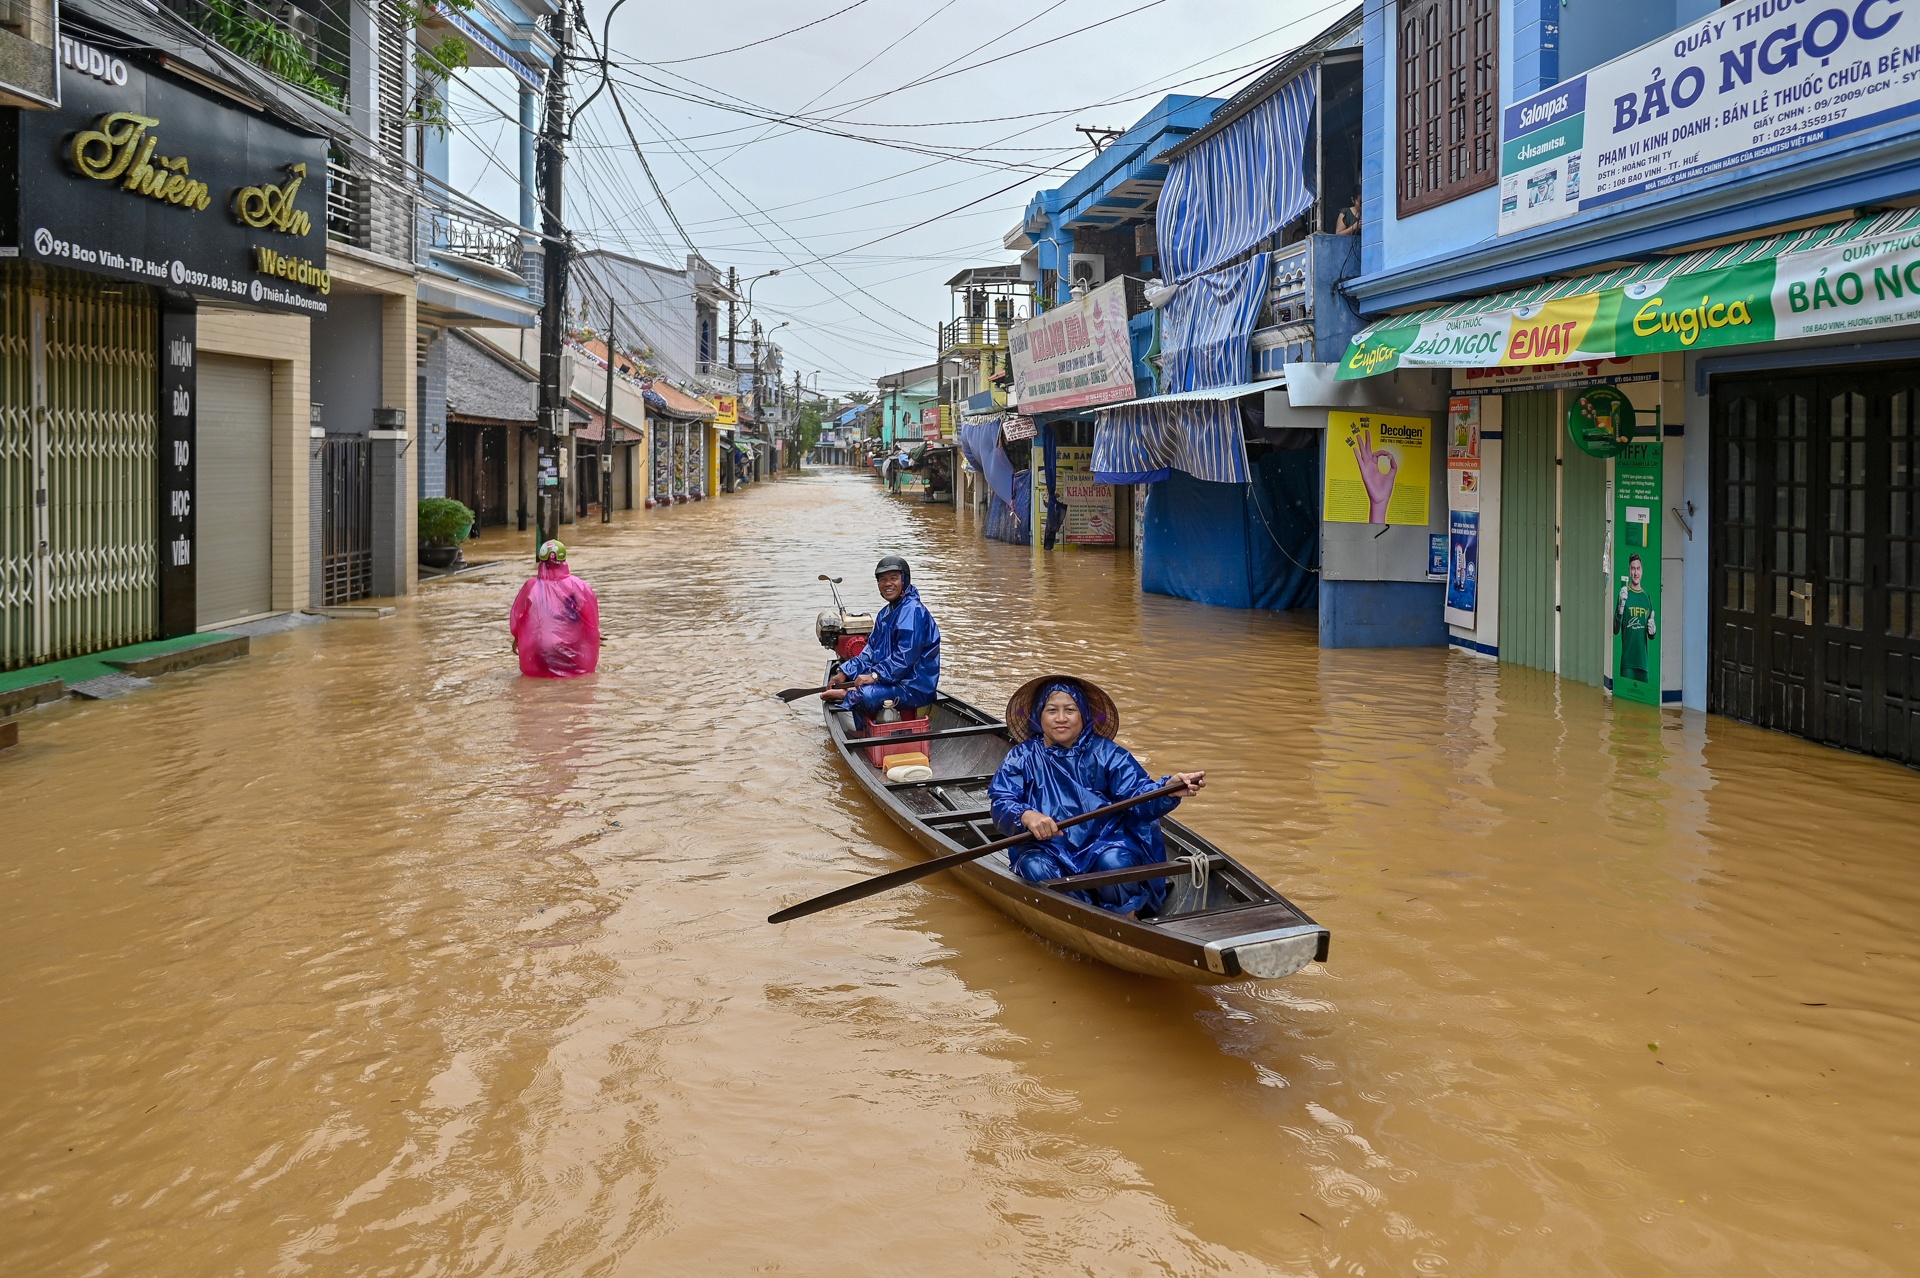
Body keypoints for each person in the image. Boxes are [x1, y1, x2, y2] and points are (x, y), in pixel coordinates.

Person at [988, 676, 1204, 918]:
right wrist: (1027, 815)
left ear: (1083, 715)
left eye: (1070, 710)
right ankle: (1076, 917)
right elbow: (1002, 802)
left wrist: (1167, 790)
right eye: (1052, 711)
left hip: (1106, 843)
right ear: (1039, 715)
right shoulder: (1022, 757)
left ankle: (1126, 918)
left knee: (1114, 863)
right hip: (1048, 848)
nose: (1061, 718)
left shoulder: (1109, 754)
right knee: (1034, 867)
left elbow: (1140, 797)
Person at [824, 555, 940, 718]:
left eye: (894, 578)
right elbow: (869, 651)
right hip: (893, 679)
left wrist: (874, 676)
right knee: (861, 678)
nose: (888, 584)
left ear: (904, 580)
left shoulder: (913, 611)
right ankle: (855, 706)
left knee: (866, 694)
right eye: (883, 579)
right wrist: (845, 672)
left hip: (913, 686)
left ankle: (846, 695)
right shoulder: (885, 613)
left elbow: (904, 658)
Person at [509, 539, 602, 678]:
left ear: (541, 561)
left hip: (539, 653)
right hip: (572, 651)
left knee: (540, 687)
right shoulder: (579, 586)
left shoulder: (531, 586)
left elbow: (517, 616)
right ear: (564, 560)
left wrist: (517, 638)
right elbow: (592, 620)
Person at [1614, 553, 1657, 683]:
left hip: (1643, 664)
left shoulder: (1646, 597)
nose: (1636, 572)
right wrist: (1621, 607)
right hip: (1627, 663)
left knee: (1643, 702)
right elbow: (1615, 630)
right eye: (1633, 568)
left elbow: (1651, 635)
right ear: (1629, 571)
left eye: (1638, 568)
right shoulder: (1624, 593)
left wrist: (1653, 631)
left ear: (1642, 570)